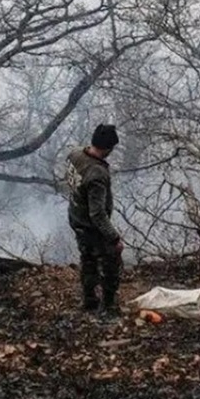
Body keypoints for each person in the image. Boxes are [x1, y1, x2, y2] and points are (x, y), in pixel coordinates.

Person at [65, 124, 123, 319]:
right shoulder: (97, 173)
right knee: (111, 262)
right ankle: (108, 307)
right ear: (108, 148)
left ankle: (89, 300)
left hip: (75, 217)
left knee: (87, 259)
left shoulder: (74, 154)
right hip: (92, 226)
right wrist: (114, 238)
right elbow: (97, 213)